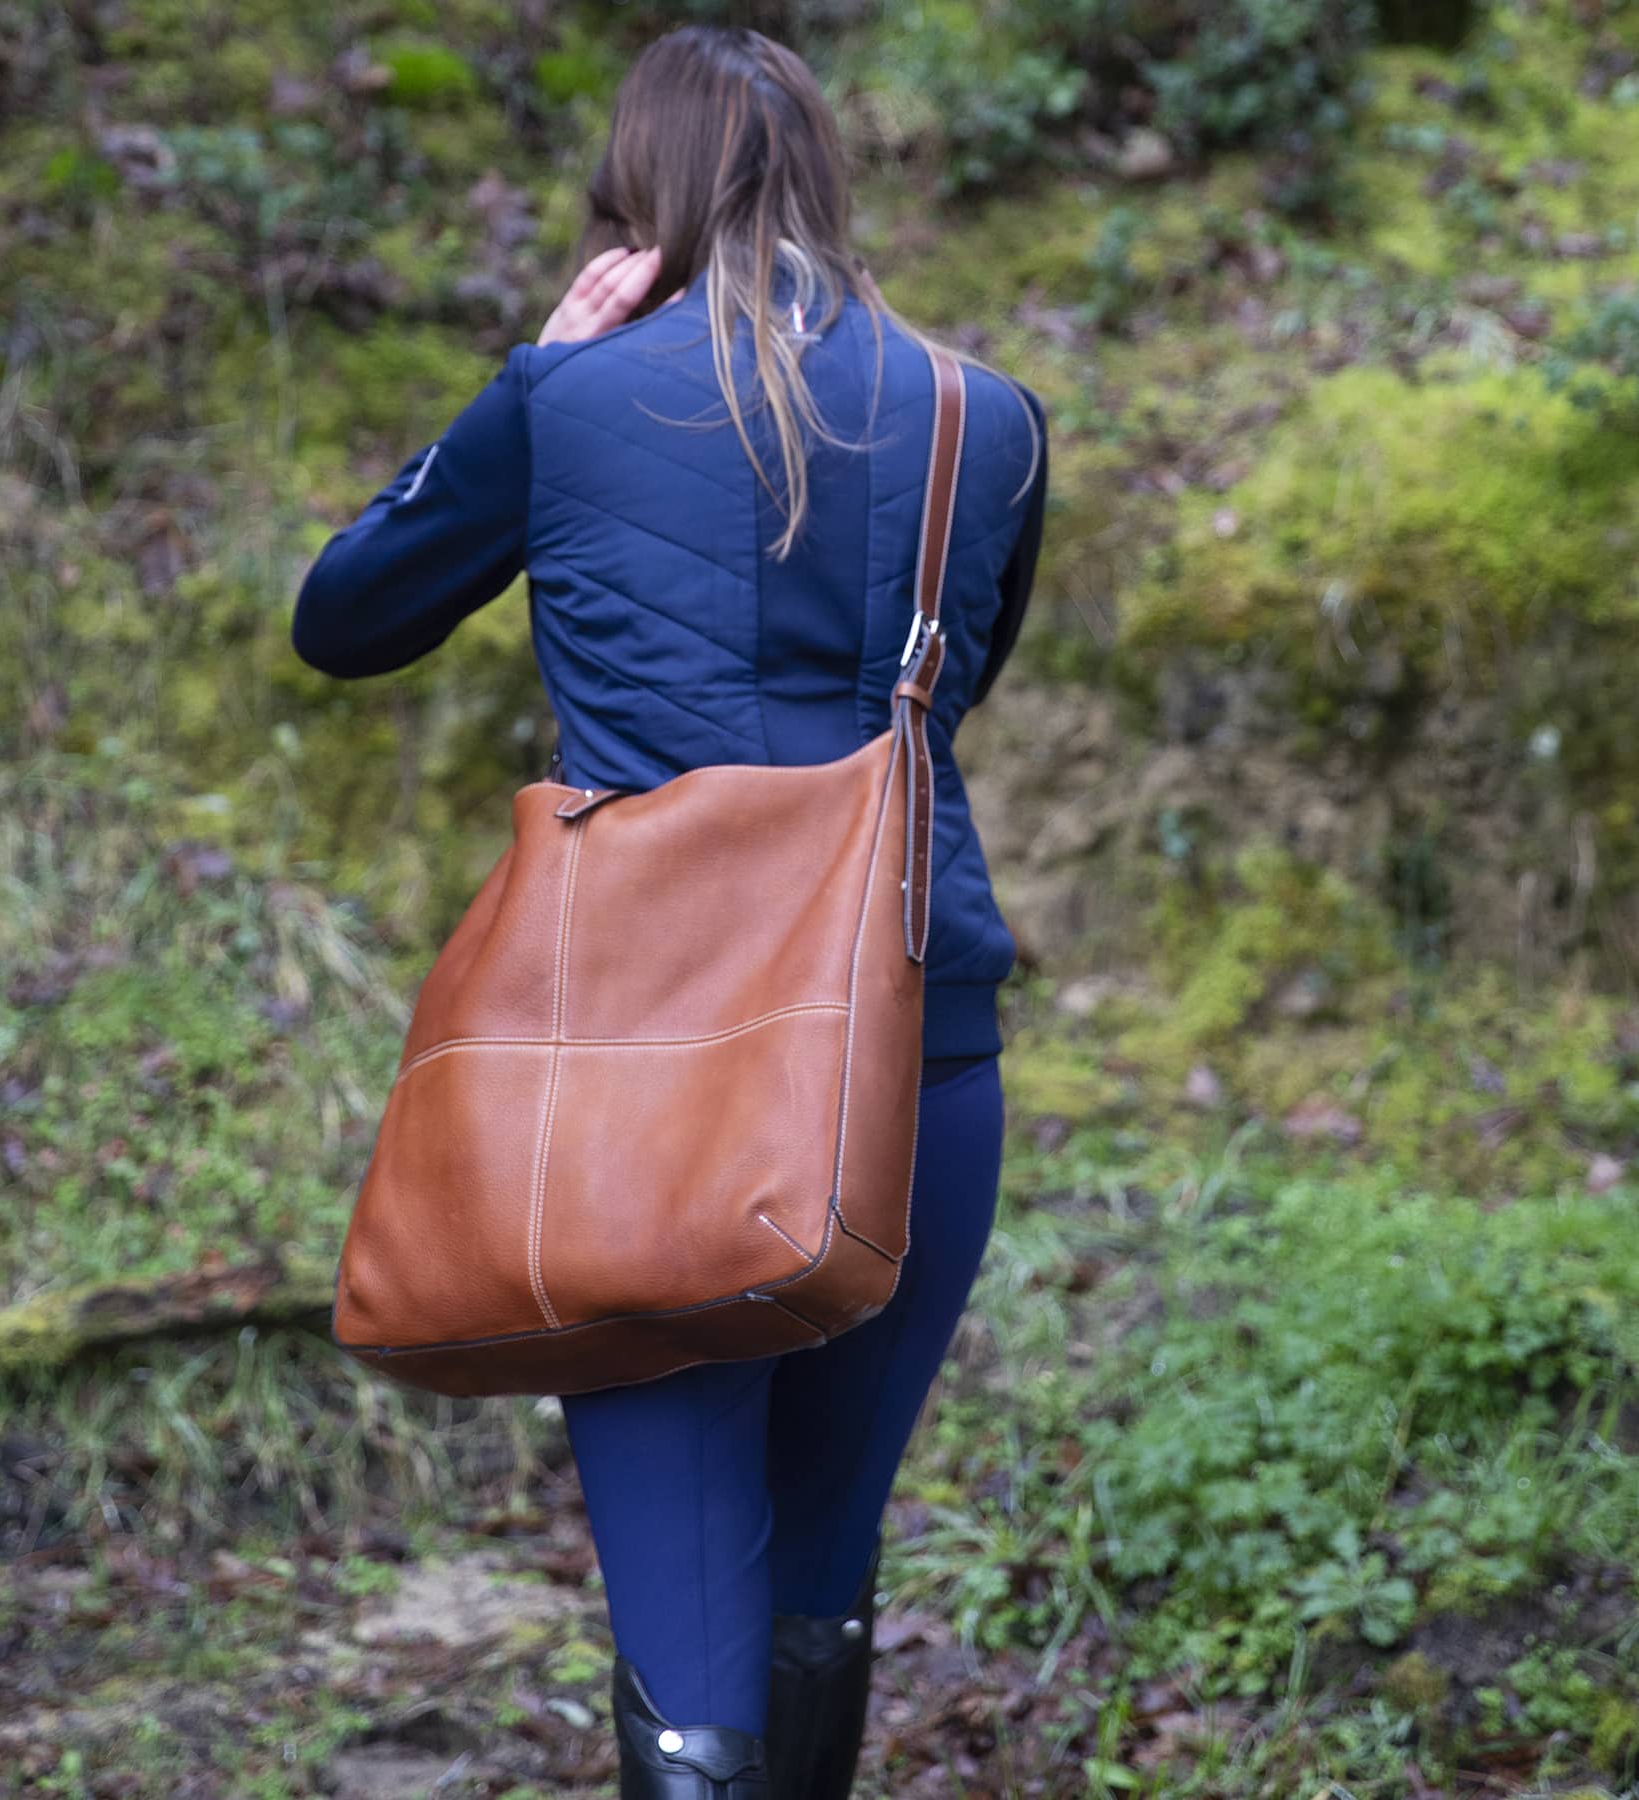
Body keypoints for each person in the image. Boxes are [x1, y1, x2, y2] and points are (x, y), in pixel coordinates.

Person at [292, 24, 1048, 1799]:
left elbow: (347, 617)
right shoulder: (980, 418)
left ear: (639, 193)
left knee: (690, 1646)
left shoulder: (567, 405)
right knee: (820, 1572)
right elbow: (949, 701)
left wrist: (534, 366)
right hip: (913, 1046)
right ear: (826, 180)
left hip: (648, 1078)